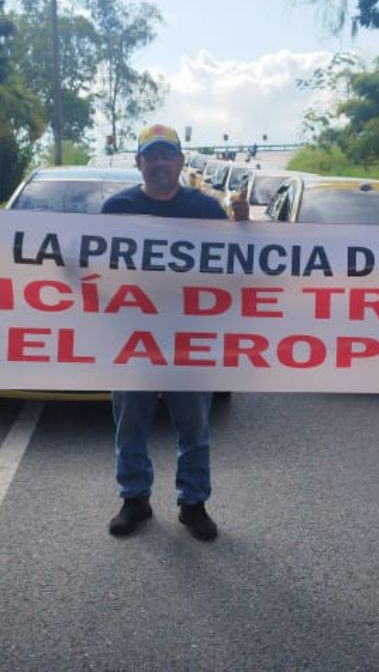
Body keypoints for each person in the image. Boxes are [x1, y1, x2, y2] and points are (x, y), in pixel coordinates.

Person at [99, 124, 248, 542]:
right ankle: (134, 499)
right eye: (152, 154)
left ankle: (193, 503)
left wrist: (244, 229)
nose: (161, 162)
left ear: (181, 161)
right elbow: (94, 266)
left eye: (168, 154)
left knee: (194, 425)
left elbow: (237, 267)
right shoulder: (117, 209)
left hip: (190, 337)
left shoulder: (205, 210)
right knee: (130, 423)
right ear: (139, 162)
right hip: (135, 336)